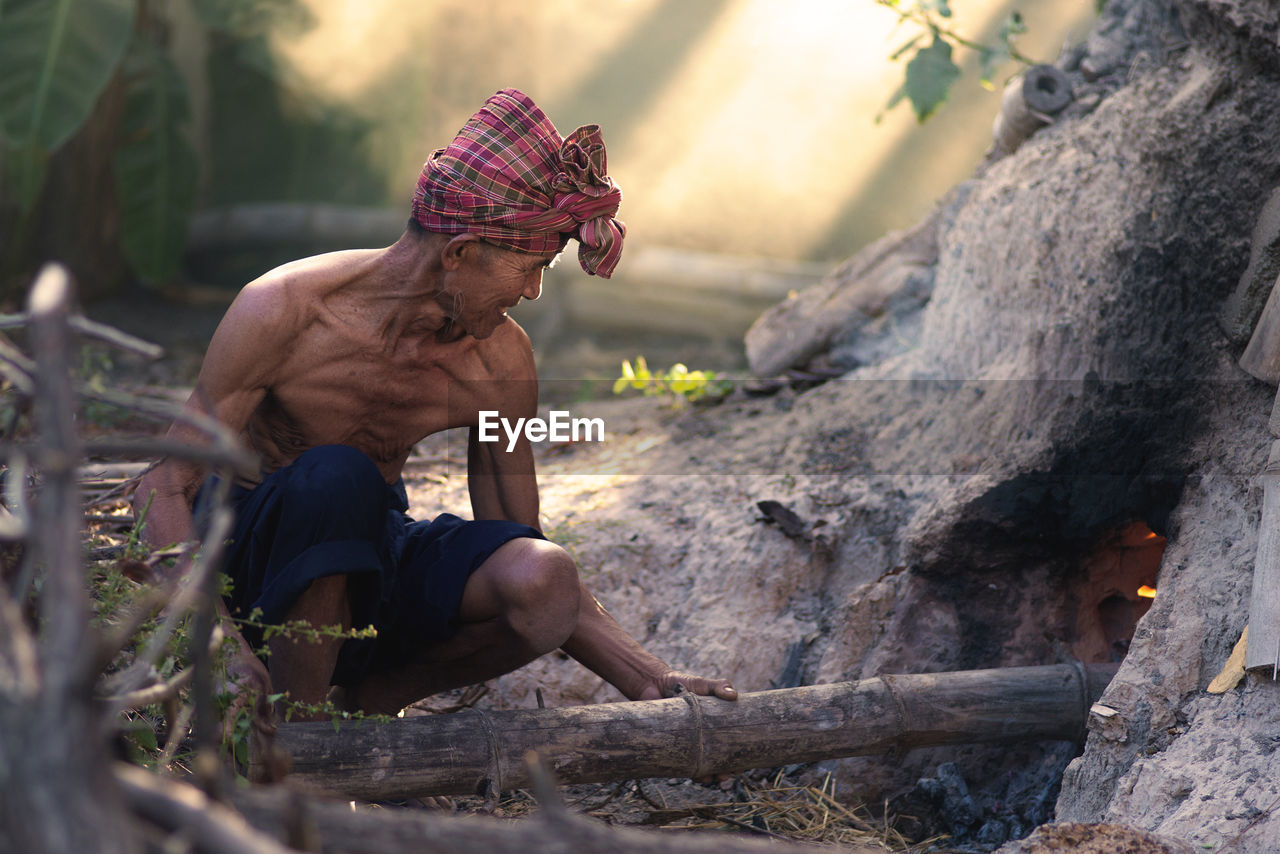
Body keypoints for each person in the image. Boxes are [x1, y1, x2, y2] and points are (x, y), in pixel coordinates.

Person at [135, 89, 737, 735]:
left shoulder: (500, 360)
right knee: (336, 477)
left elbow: (515, 530)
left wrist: (645, 676)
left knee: (544, 577)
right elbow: (162, 487)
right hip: (246, 567)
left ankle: (375, 698)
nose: (533, 292)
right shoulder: (284, 310)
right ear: (459, 253)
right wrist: (215, 641)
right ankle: (294, 743)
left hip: (367, 558)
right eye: (528, 269)